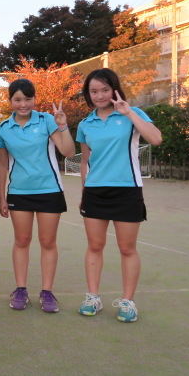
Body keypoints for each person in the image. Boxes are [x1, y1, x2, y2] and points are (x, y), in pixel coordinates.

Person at [76, 68, 162, 323]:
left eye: (105, 90)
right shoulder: (85, 124)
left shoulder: (132, 114)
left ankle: (127, 301)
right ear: (88, 94)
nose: (99, 95)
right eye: (94, 91)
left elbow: (156, 139)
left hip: (127, 190)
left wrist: (129, 113)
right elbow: (85, 161)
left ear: (114, 89)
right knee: (95, 246)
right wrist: (84, 192)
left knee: (127, 248)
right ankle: (93, 297)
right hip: (95, 192)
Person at [0, 78, 75, 313]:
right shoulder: (4, 128)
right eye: (17, 99)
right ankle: (20, 290)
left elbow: (69, 152)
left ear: (34, 99)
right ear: (10, 101)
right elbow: (1, 165)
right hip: (19, 193)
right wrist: (1, 198)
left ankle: (47, 292)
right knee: (22, 240)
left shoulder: (47, 120)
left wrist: (62, 126)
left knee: (48, 242)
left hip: (49, 191)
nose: (23, 104)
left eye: (28, 99)